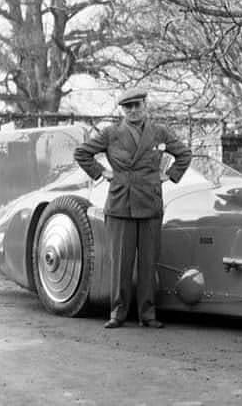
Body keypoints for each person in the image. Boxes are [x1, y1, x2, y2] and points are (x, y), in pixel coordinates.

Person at [74, 87, 192, 329]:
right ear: (123, 110)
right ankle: (117, 313)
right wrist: (102, 172)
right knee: (120, 263)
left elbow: (184, 154)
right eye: (128, 107)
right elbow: (82, 153)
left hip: (150, 203)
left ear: (145, 106)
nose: (134, 111)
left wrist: (169, 176)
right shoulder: (111, 133)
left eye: (137, 105)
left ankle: (147, 315)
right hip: (120, 205)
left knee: (149, 263)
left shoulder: (159, 132)